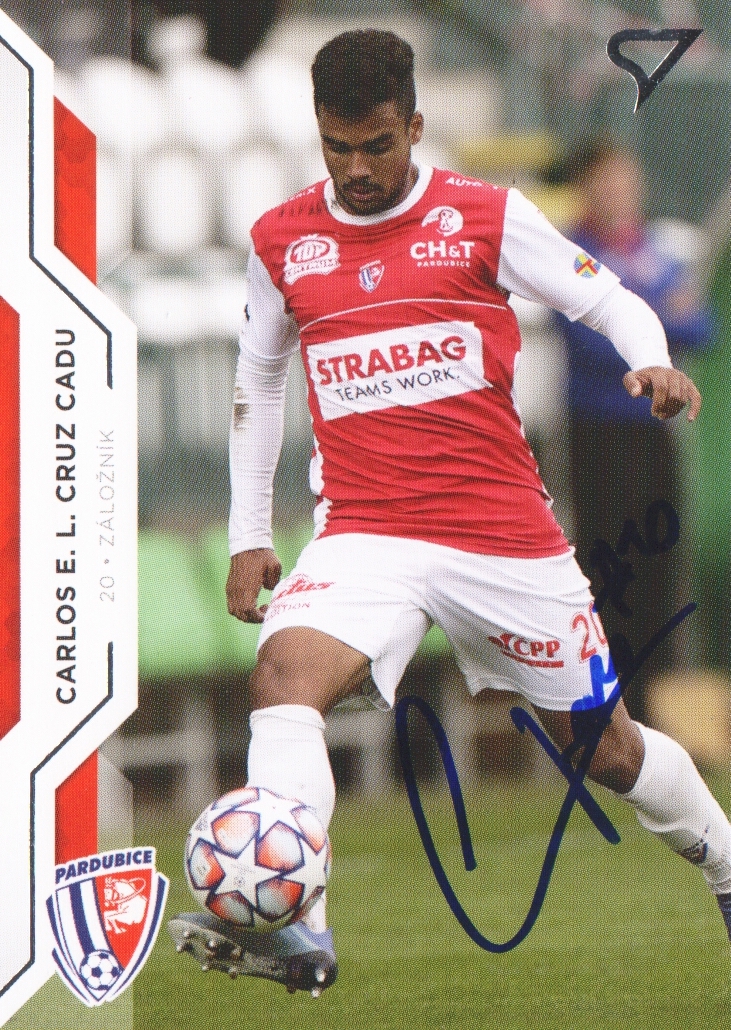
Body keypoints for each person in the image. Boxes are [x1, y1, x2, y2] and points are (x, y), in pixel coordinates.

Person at [174, 30, 731, 992]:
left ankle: (724, 865)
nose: (356, 169)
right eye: (337, 146)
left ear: (415, 127)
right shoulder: (281, 240)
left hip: (501, 537)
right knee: (283, 679)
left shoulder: (484, 216)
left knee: (605, 750)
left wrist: (651, 359)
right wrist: (249, 534)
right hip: (365, 532)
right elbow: (258, 381)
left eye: (376, 145)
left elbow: (607, 301)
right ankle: (298, 929)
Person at [552, 141, 712, 719]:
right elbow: (591, 341)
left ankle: (652, 713)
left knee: (659, 567)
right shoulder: (572, 253)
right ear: (586, 189)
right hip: (599, 436)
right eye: (607, 182)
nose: (620, 193)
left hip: (654, 435)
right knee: (609, 567)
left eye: (626, 180)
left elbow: (703, 328)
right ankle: (611, 709)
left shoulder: (656, 251)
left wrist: (646, 316)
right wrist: (659, 313)